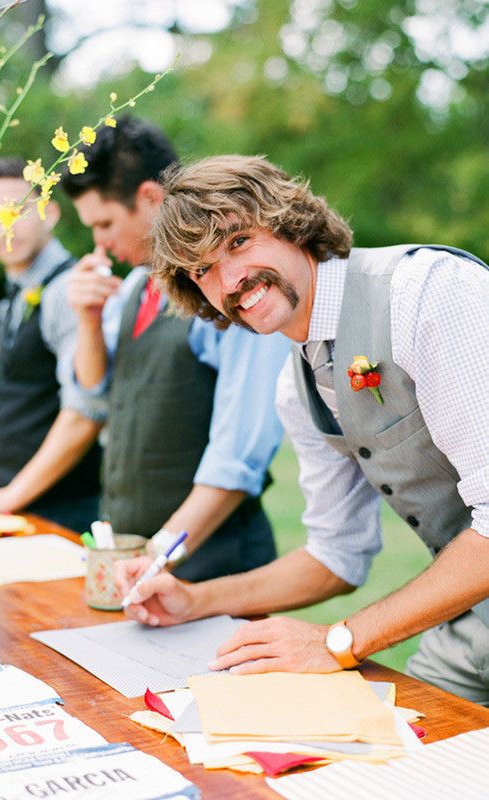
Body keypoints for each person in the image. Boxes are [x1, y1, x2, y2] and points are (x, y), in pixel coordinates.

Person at [115, 154, 489, 705]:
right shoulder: (298, 385)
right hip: (469, 630)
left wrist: (341, 640)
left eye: (238, 242)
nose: (231, 280)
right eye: (202, 270)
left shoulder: (429, 292)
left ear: (289, 221)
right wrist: (196, 600)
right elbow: (336, 555)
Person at [60, 119, 290, 581]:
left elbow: (239, 454)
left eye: (105, 223)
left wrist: (160, 555)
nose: (99, 242)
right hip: (142, 562)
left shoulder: (233, 293)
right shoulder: (129, 291)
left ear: (149, 198)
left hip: (216, 563)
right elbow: (93, 390)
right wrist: (86, 320)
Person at [0, 158, 102, 532]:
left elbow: (84, 414)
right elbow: (20, 401)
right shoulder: (13, 296)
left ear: (50, 213)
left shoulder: (69, 291)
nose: (3, 226)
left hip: (64, 513)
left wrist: (6, 497)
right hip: (17, 505)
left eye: (15, 211)